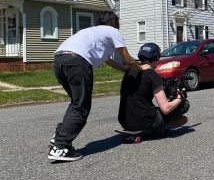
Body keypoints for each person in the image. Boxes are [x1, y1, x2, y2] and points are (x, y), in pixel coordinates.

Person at [48, 11, 141, 162]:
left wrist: (125, 70)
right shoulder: (113, 31)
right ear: (115, 22)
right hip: (77, 61)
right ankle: (60, 146)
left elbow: (108, 60)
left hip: (59, 59)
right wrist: (142, 69)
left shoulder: (93, 32)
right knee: (81, 106)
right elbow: (128, 59)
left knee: (76, 103)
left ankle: (60, 135)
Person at [118, 43, 190, 135]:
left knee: (148, 108)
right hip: (144, 121)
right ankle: (157, 128)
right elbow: (166, 108)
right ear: (156, 57)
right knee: (185, 106)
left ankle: (154, 127)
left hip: (124, 121)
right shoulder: (153, 76)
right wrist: (180, 98)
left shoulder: (129, 71)